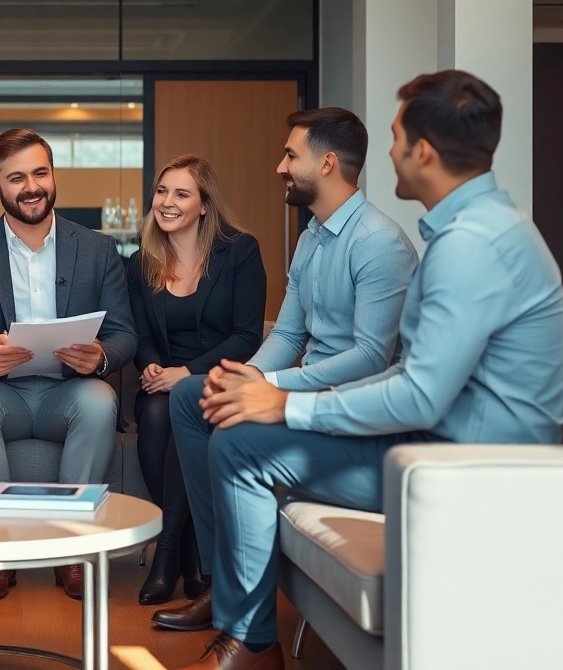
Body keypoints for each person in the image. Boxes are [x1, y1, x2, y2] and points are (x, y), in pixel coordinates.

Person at [166, 70, 563, 670]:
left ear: (423, 152)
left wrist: (283, 401)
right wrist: (252, 380)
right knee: (213, 413)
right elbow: (334, 348)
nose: (387, 153)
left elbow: (411, 389)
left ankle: (251, 642)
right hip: (436, 441)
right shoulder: (478, 230)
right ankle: (240, 617)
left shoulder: (462, 246)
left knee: (241, 449)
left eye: (396, 137)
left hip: (461, 466)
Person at [151, 108, 417, 629]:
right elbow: (290, 335)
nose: (280, 166)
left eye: (291, 154)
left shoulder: (379, 243)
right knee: (191, 396)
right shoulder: (312, 238)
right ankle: (213, 576)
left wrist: (269, 385)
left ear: (328, 163)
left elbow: (369, 357)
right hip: (302, 394)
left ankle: (238, 610)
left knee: (226, 431)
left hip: (349, 411)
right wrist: (239, 377)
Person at [0, 127, 137, 600]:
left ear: (53, 175)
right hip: (0, 394)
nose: (31, 187)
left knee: (99, 400)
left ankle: (71, 552)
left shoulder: (98, 249)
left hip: (67, 391)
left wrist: (101, 356)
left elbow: (125, 334)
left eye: (40, 173)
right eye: (17, 177)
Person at [126, 155, 265, 606]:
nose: (166, 202)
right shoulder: (140, 261)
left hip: (216, 378)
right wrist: (149, 366)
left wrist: (186, 373)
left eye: (181, 193)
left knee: (188, 404)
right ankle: (187, 547)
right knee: (153, 413)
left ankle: (166, 551)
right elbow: (142, 336)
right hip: (161, 383)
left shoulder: (239, 252)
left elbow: (246, 335)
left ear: (205, 204)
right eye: (161, 191)